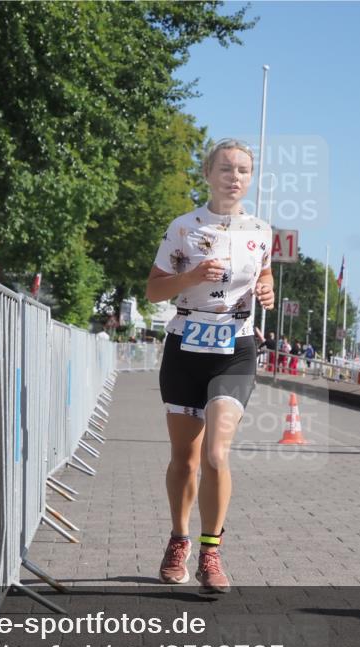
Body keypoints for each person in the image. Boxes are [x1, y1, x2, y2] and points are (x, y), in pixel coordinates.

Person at [145, 138, 275, 594]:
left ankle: (210, 551)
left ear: (250, 178)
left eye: (242, 170)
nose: (234, 176)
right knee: (185, 459)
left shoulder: (261, 229)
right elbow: (154, 292)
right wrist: (194, 277)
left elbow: (263, 272)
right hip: (185, 347)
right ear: (207, 173)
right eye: (225, 168)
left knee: (216, 455)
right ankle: (178, 539)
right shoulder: (184, 227)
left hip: (235, 348)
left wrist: (267, 291)